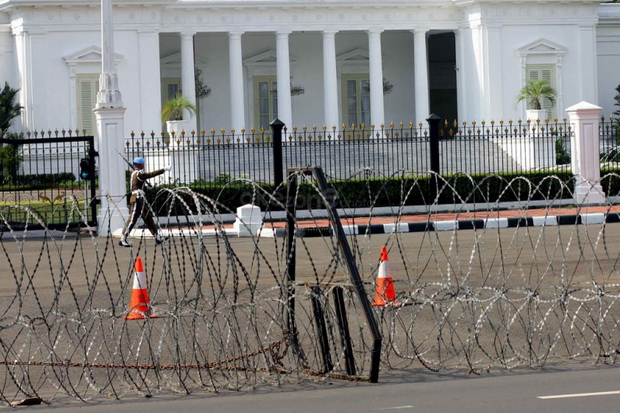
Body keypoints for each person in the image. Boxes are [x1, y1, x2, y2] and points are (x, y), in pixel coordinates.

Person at [119, 157, 171, 248]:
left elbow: (138, 186)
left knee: (148, 218)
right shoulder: (139, 173)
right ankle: (123, 238)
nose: (143, 166)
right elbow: (151, 174)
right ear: (139, 165)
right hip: (137, 199)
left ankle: (157, 237)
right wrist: (164, 169)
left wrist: (146, 188)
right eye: (142, 164)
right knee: (132, 220)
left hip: (140, 199)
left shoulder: (135, 174)